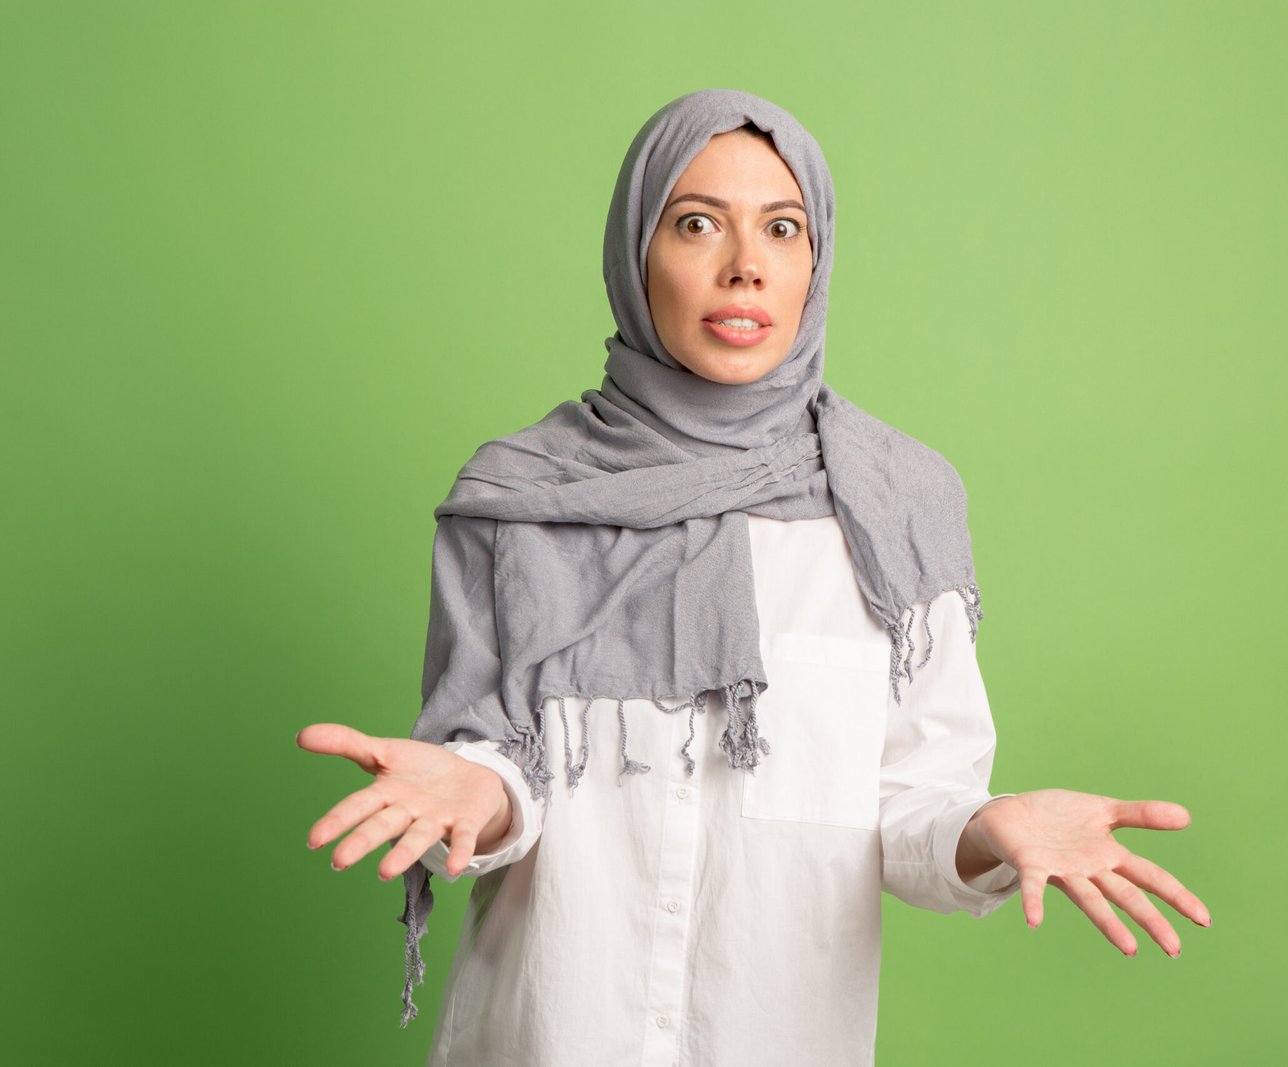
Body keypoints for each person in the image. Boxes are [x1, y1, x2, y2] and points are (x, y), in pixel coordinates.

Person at [298, 89, 1211, 1066]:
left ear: (814, 261)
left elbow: (909, 808)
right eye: (697, 224)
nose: (746, 266)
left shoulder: (894, 507)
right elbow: (501, 769)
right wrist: (471, 784)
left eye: (783, 228)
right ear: (633, 249)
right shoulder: (521, 497)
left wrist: (990, 824)